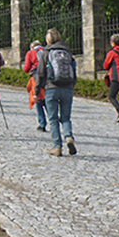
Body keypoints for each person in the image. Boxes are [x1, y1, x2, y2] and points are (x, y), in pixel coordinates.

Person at [35, 28, 77, 157]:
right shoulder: (67, 52)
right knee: (65, 117)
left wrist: (37, 91)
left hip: (51, 87)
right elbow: (74, 71)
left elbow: (40, 73)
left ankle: (57, 146)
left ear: (48, 39)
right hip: (67, 88)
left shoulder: (45, 53)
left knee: (53, 119)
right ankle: (68, 136)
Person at [23, 39, 48, 132]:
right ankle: (54, 123)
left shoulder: (30, 53)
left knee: (38, 100)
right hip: (48, 79)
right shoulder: (47, 52)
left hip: (36, 78)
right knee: (48, 102)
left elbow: (26, 69)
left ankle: (42, 124)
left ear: (32, 47)